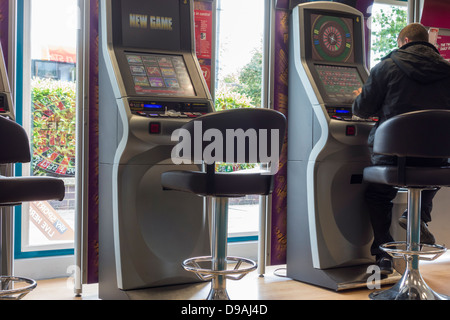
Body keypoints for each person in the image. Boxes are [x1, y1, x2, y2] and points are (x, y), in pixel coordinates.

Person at [352, 23, 450, 274]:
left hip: (394, 159)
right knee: (431, 172)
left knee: (378, 194)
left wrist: (361, 94)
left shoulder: (386, 66)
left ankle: (383, 254)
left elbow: (362, 109)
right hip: (438, 161)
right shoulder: (447, 70)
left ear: (404, 41)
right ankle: (418, 214)